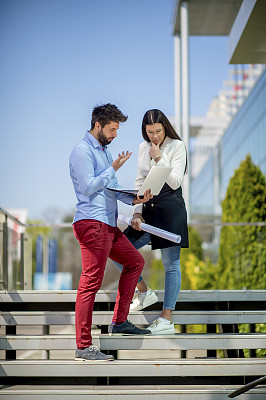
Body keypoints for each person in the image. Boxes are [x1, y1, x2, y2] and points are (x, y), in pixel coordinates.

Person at [69, 103, 153, 362]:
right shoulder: (82, 151)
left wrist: (136, 199)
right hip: (91, 224)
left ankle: (119, 321)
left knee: (135, 262)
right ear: (98, 125)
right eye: (113, 129)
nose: (116, 134)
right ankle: (83, 346)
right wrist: (112, 168)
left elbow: (112, 189)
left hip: (108, 224)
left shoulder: (105, 153)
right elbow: (87, 188)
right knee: (90, 283)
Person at [112, 108, 189, 335]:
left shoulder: (177, 146)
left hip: (170, 208)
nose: (154, 136)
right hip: (147, 208)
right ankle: (144, 292)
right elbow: (139, 180)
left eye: (158, 131)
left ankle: (166, 318)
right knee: (118, 250)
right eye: (149, 132)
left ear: (165, 127)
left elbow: (175, 182)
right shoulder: (142, 147)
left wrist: (158, 157)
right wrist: (136, 212)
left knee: (170, 264)